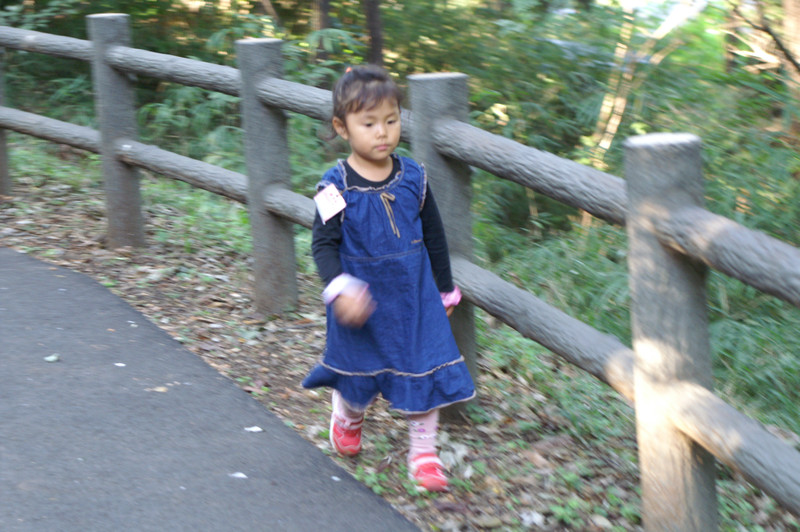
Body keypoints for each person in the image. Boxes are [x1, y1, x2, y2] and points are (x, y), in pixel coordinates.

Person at [302, 65, 476, 493]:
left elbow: (435, 236)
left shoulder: (414, 177)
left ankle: (424, 454)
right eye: (369, 123)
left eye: (392, 120)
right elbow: (323, 244)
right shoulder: (333, 186)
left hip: (413, 296)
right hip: (360, 300)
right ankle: (347, 415)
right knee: (357, 375)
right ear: (342, 127)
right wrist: (340, 288)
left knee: (423, 367)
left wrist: (444, 288)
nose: (382, 132)